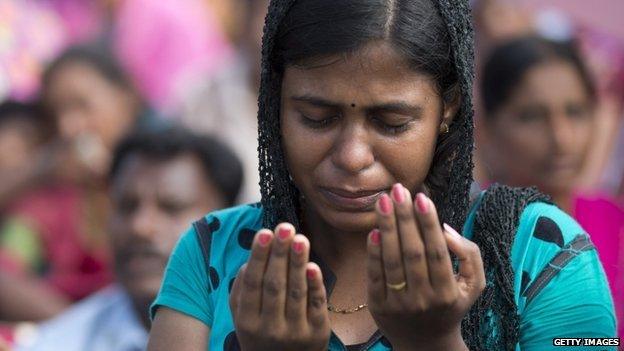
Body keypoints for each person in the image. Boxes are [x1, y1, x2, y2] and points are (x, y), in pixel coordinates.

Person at [148, 1, 617, 350]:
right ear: (275, 106)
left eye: (391, 123)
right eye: (317, 118)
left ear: (447, 111)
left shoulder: (542, 252)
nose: (352, 156)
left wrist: (433, 341)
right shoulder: (213, 254)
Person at [17, 127, 243, 351]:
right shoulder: (61, 342)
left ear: (230, 224)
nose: (140, 227)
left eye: (172, 208)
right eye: (126, 207)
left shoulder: (262, 335)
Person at [478, 35, 624, 338]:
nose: (562, 139)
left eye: (575, 112)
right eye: (532, 116)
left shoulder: (615, 223)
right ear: (487, 127)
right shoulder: (466, 229)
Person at [0, 45, 164, 303]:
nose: (68, 128)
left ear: (126, 97)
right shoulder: (52, 202)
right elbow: (8, 267)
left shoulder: (169, 176)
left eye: (82, 106)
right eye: (56, 114)